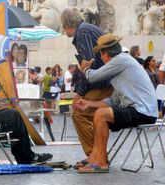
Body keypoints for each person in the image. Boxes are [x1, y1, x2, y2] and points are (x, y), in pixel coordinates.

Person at [73, 33, 158, 173]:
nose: (101, 58)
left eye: (101, 55)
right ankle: (95, 156)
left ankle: (100, 162)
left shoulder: (121, 60)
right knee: (98, 113)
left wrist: (85, 68)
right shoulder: (121, 66)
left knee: (101, 115)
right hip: (139, 111)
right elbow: (113, 101)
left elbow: (92, 77)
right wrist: (89, 103)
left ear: (105, 55)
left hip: (143, 112)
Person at [60, 8, 112, 168]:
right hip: (104, 82)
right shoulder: (87, 29)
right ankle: (97, 154)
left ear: (68, 24)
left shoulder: (83, 33)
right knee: (88, 114)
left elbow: (89, 66)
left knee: (79, 113)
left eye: (63, 26)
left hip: (102, 83)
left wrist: (79, 93)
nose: (63, 30)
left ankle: (96, 156)